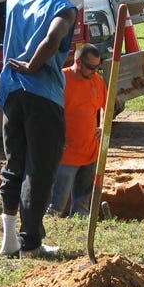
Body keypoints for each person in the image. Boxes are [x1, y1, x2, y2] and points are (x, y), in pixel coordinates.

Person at [0, 0, 77, 258]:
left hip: (10, 90)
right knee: (40, 168)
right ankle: (31, 242)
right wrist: (33, 64)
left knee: (14, 162)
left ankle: (9, 239)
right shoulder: (63, 6)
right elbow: (53, 38)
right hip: (42, 94)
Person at [46, 43, 106, 218]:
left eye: (98, 66)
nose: (95, 71)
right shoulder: (61, 79)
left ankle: (80, 219)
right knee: (57, 198)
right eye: (91, 67)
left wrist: (102, 125)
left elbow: (105, 106)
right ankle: (50, 222)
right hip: (66, 153)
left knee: (83, 198)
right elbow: (48, 112)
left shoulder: (97, 80)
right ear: (78, 62)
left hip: (90, 151)